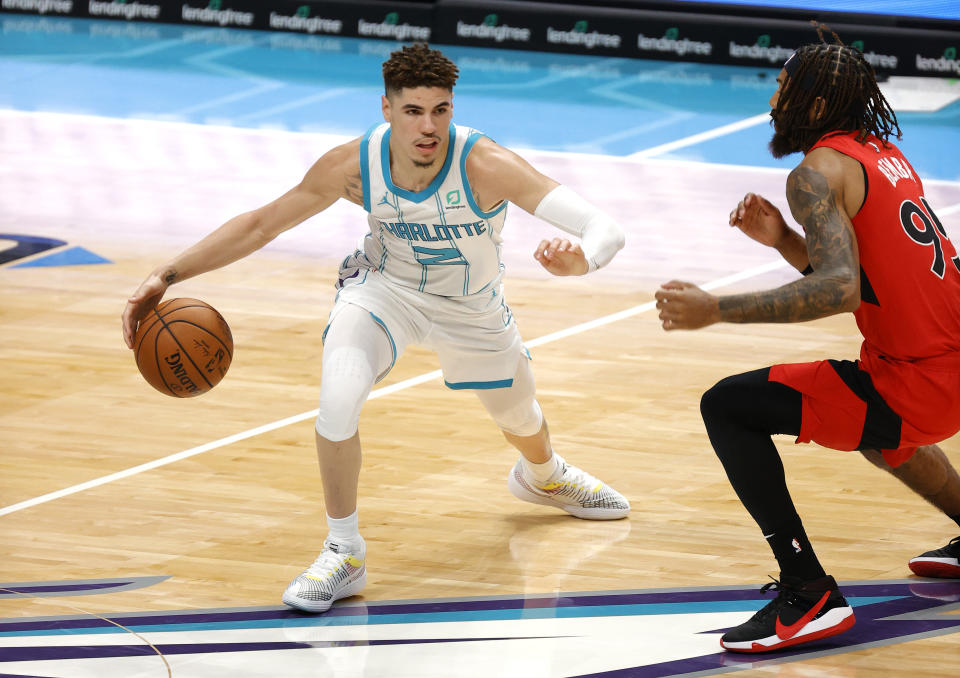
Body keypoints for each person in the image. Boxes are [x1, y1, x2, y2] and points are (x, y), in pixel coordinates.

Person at [121, 43, 630, 614]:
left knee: (521, 418)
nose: (429, 125)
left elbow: (604, 228)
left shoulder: (486, 164)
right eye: (414, 110)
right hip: (384, 290)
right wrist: (165, 276)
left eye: (440, 109)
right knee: (337, 399)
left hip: (471, 306)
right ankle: (345, 551)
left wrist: (582, 262)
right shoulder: (351, 164)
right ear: (386, 108)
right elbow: (262, 225)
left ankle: (545, 476)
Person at [654, 27, 960, 653]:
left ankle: (808, 591)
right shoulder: (880, 155)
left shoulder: (815, 173)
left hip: (919, 380)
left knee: (727, 405)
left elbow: (841, 291)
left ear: (816, 104)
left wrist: (716, 309)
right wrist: (783, 242)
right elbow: (870, 280)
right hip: (946, 365)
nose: (773, 96)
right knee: (879, 433)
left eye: (783, 85)